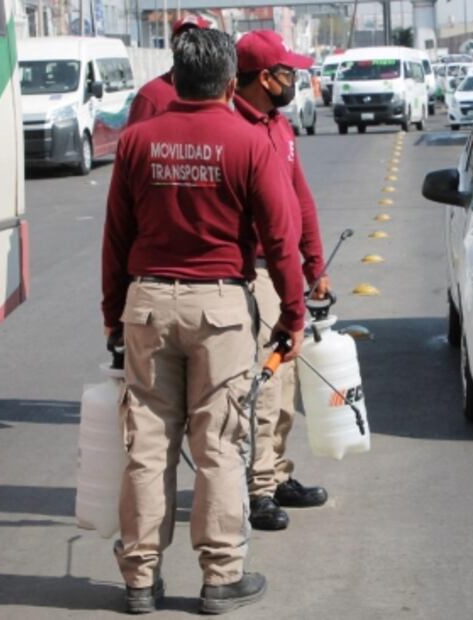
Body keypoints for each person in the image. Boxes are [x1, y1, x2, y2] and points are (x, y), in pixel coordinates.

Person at [101, 29, 305, 614]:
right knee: (218, 442)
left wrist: (112, 314)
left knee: (148, 444)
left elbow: (116, 237)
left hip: (147, 304)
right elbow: (280, 239)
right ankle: (221, 576)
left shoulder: (137, 142)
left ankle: (140, 580)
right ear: (228, 82)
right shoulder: (248, 142)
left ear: (178, 78)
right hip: (220, 309)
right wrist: (292, 315)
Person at [233, 30, 330, 532]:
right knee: (264, 385)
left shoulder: (280, 125)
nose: (296, 80)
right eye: (289, 72)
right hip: (253, 271)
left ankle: (276, 472)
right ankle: (257, 489)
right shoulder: (234, 128)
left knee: (286, 380)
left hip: (283, 270)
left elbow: (300, 198)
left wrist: (315, 265)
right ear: (265, 78)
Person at [126, 14, 212, 125]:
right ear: (172, 45)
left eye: (197, 39)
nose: (189, 46)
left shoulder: (219, 93)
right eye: (183, 38)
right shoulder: (150, 96)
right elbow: (134, 135)